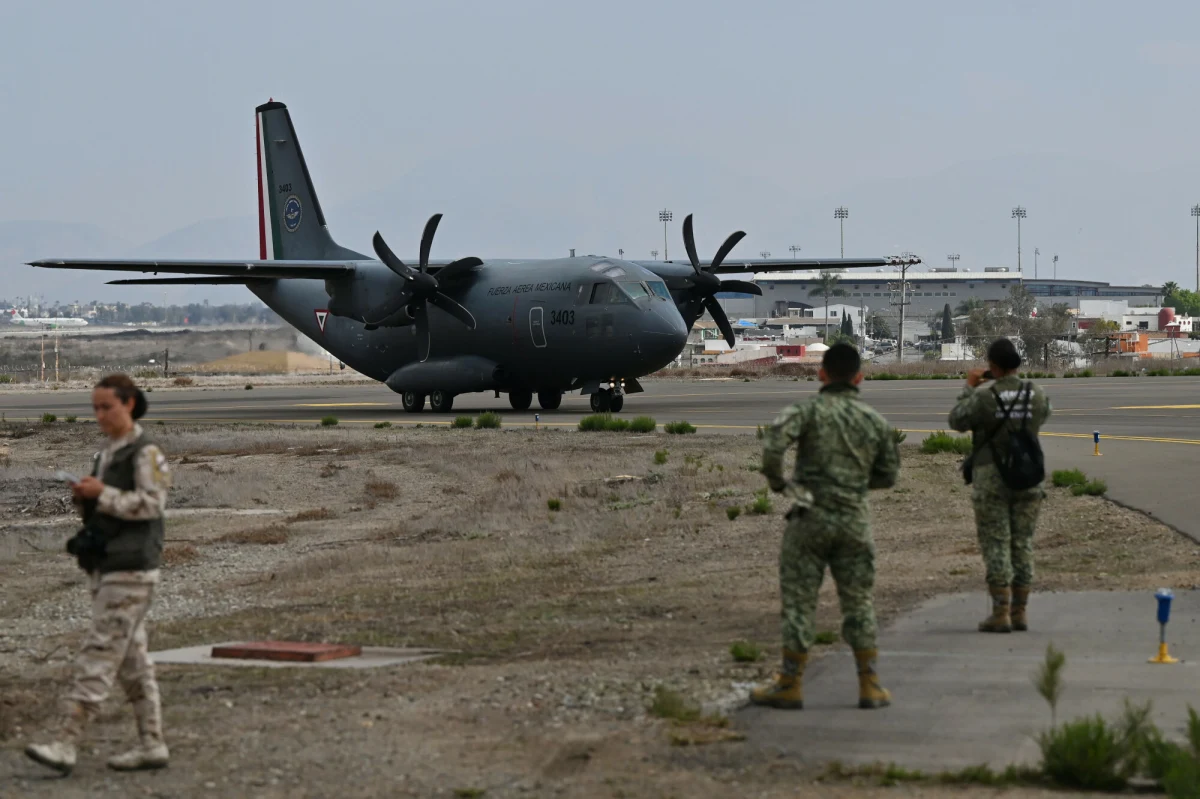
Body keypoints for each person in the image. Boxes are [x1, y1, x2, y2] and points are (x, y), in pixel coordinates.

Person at [26, 374, 172, 774]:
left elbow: (151, 505)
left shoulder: (146, 454)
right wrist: (85, 499)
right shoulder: (108, 454)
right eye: (95, 408)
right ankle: (152, 743)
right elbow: (109, 509)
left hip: (131, 570)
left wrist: (101, 494)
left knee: (98, 656)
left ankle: (66, 743)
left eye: (106, 407)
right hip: (109, 563)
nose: (100, 415)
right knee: (132, 663)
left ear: (129, 404)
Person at [751, 342, 901, 710]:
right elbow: (888, 475)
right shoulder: (874, 421)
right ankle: (869, 684)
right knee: (859, 602)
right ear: (859, 378)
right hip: (853, 520)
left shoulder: (807, 410)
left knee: (800, 601)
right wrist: (853, 487)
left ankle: (790, 681)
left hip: (810, 517)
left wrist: (779, 484)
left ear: (821, 374)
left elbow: (773, 448)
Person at [949, 337, 1051, 634]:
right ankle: (1020, 611)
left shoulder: (984, 398)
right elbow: (1044, 416)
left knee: (996, 543)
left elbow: (957, 420)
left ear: (992, 366)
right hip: (1028, 476)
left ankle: (1000, 612)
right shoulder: (1036, 394)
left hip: (991, 477)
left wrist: (969, 387)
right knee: (1023, 543)